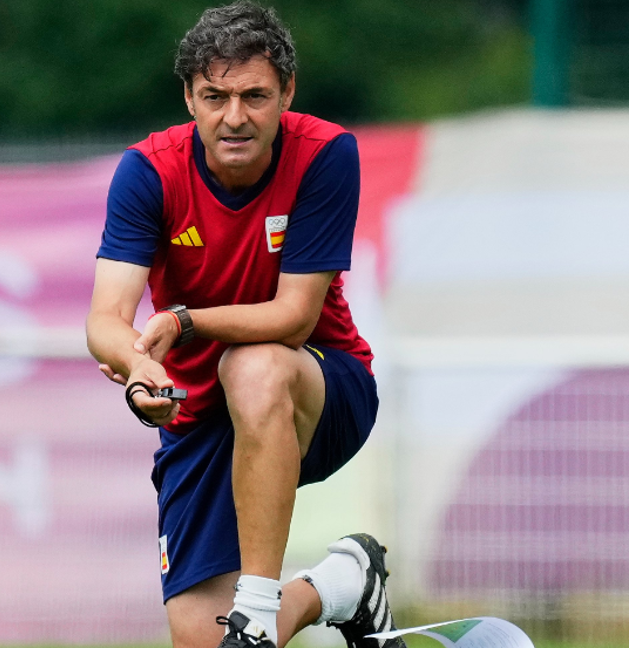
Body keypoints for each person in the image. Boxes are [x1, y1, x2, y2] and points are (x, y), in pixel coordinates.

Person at [84, 3, 405, 648]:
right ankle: (341, 586)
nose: (235, 117)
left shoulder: (325, 154)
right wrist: (140, 368)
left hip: (319, 389)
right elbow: (107, 320)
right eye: (216, 96)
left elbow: (293, 318)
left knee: (252, 364)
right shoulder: (148, 172)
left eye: (255, 95)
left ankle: (257, 606)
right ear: (189, 98)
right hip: (200, 419)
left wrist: (182, 322)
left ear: (286, 92)